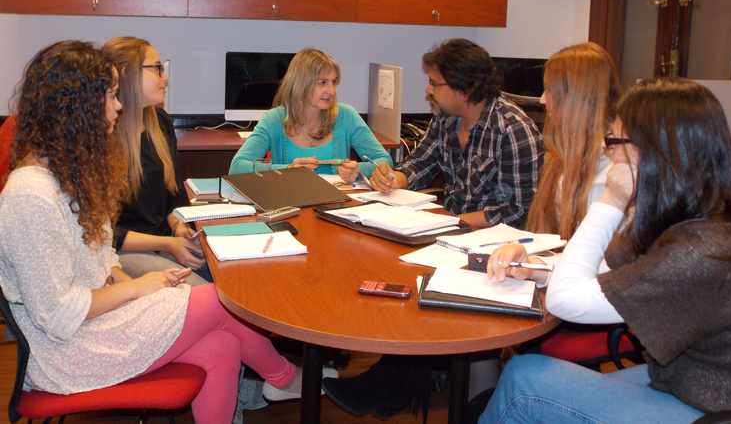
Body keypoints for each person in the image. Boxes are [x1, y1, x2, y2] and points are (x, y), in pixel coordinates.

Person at [0, 41, 333, 424]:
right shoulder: (31, 196)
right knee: (219, 299)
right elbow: (57, 316)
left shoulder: (72, 175)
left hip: (95, 323)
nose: (118, 106)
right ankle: (286, 378)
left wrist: (138, 290)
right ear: (77, 108)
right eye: (110, 96)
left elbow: (103, 257)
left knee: (223, 346)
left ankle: (282, 380)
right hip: (67, 352)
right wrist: (140, 289)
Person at [480, 77, 731, 424]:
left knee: (523, 381)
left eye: (613, 141)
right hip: (685, 383)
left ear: (648, 151)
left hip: (717, 407)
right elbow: (612, 270)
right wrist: (538, 270)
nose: (609, 152)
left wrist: (611, 201)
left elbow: (564, 302)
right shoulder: (702, 214)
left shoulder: (706, 249)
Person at [370, 38, 544, 229]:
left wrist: (452, 222)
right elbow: (421, 164)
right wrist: (394, 179)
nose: (428, 90)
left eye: (435, 84)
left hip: (494, 237)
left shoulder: (512, 130)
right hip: (452, 227)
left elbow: (517, 211)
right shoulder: (445, 118)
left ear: (464, 90)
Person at [488, 42, 621, 283]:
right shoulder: (564, 154)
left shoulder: (613, 168)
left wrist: (536, 266)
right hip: (561, 279)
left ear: (576, 97)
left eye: (549, 90)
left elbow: (603, 263)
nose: (542, 100)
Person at [100, 36, 209, 286]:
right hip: (121, 252)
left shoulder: (160, 122)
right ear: (127, 74)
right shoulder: (103, 137)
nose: (165, 77)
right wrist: (168, 243)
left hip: (164, 241)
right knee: (199, 292)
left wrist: (178, 227)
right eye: (157, 68)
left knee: (227, 273)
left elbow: (174, 193)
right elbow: (104, 233)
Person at [229, 48, 392, 181]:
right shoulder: (274, 119)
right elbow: (236, 167)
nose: (332, 91)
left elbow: (384, 160)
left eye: (334, 82)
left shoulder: (346, 115)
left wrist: (359, 170)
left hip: (336, 203)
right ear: (301, 84)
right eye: (322, 83)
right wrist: (287, 169)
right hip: (291, 203)